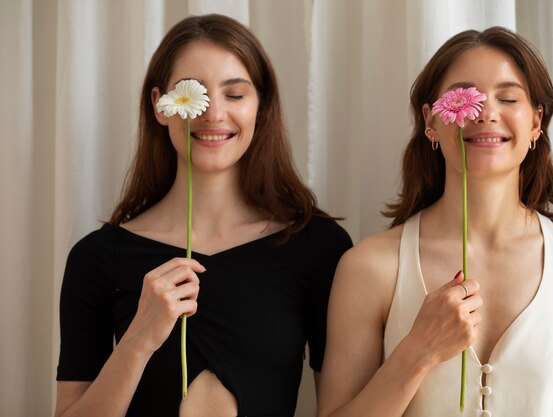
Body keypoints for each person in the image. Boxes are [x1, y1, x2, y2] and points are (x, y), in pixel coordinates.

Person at [317, 26, 553, 417]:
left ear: (535, 123)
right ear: (431, 121)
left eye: (508, 97)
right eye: (465, 97)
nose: (485, 112)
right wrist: (418, 350)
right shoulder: (370, 266)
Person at [55, 14, 352, 417]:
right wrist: (139, 339)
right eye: (191, 94)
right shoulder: (96, 258)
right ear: (160, 105)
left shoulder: (316, 246)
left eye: (234, 94)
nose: (211, 114)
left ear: (260, 108)